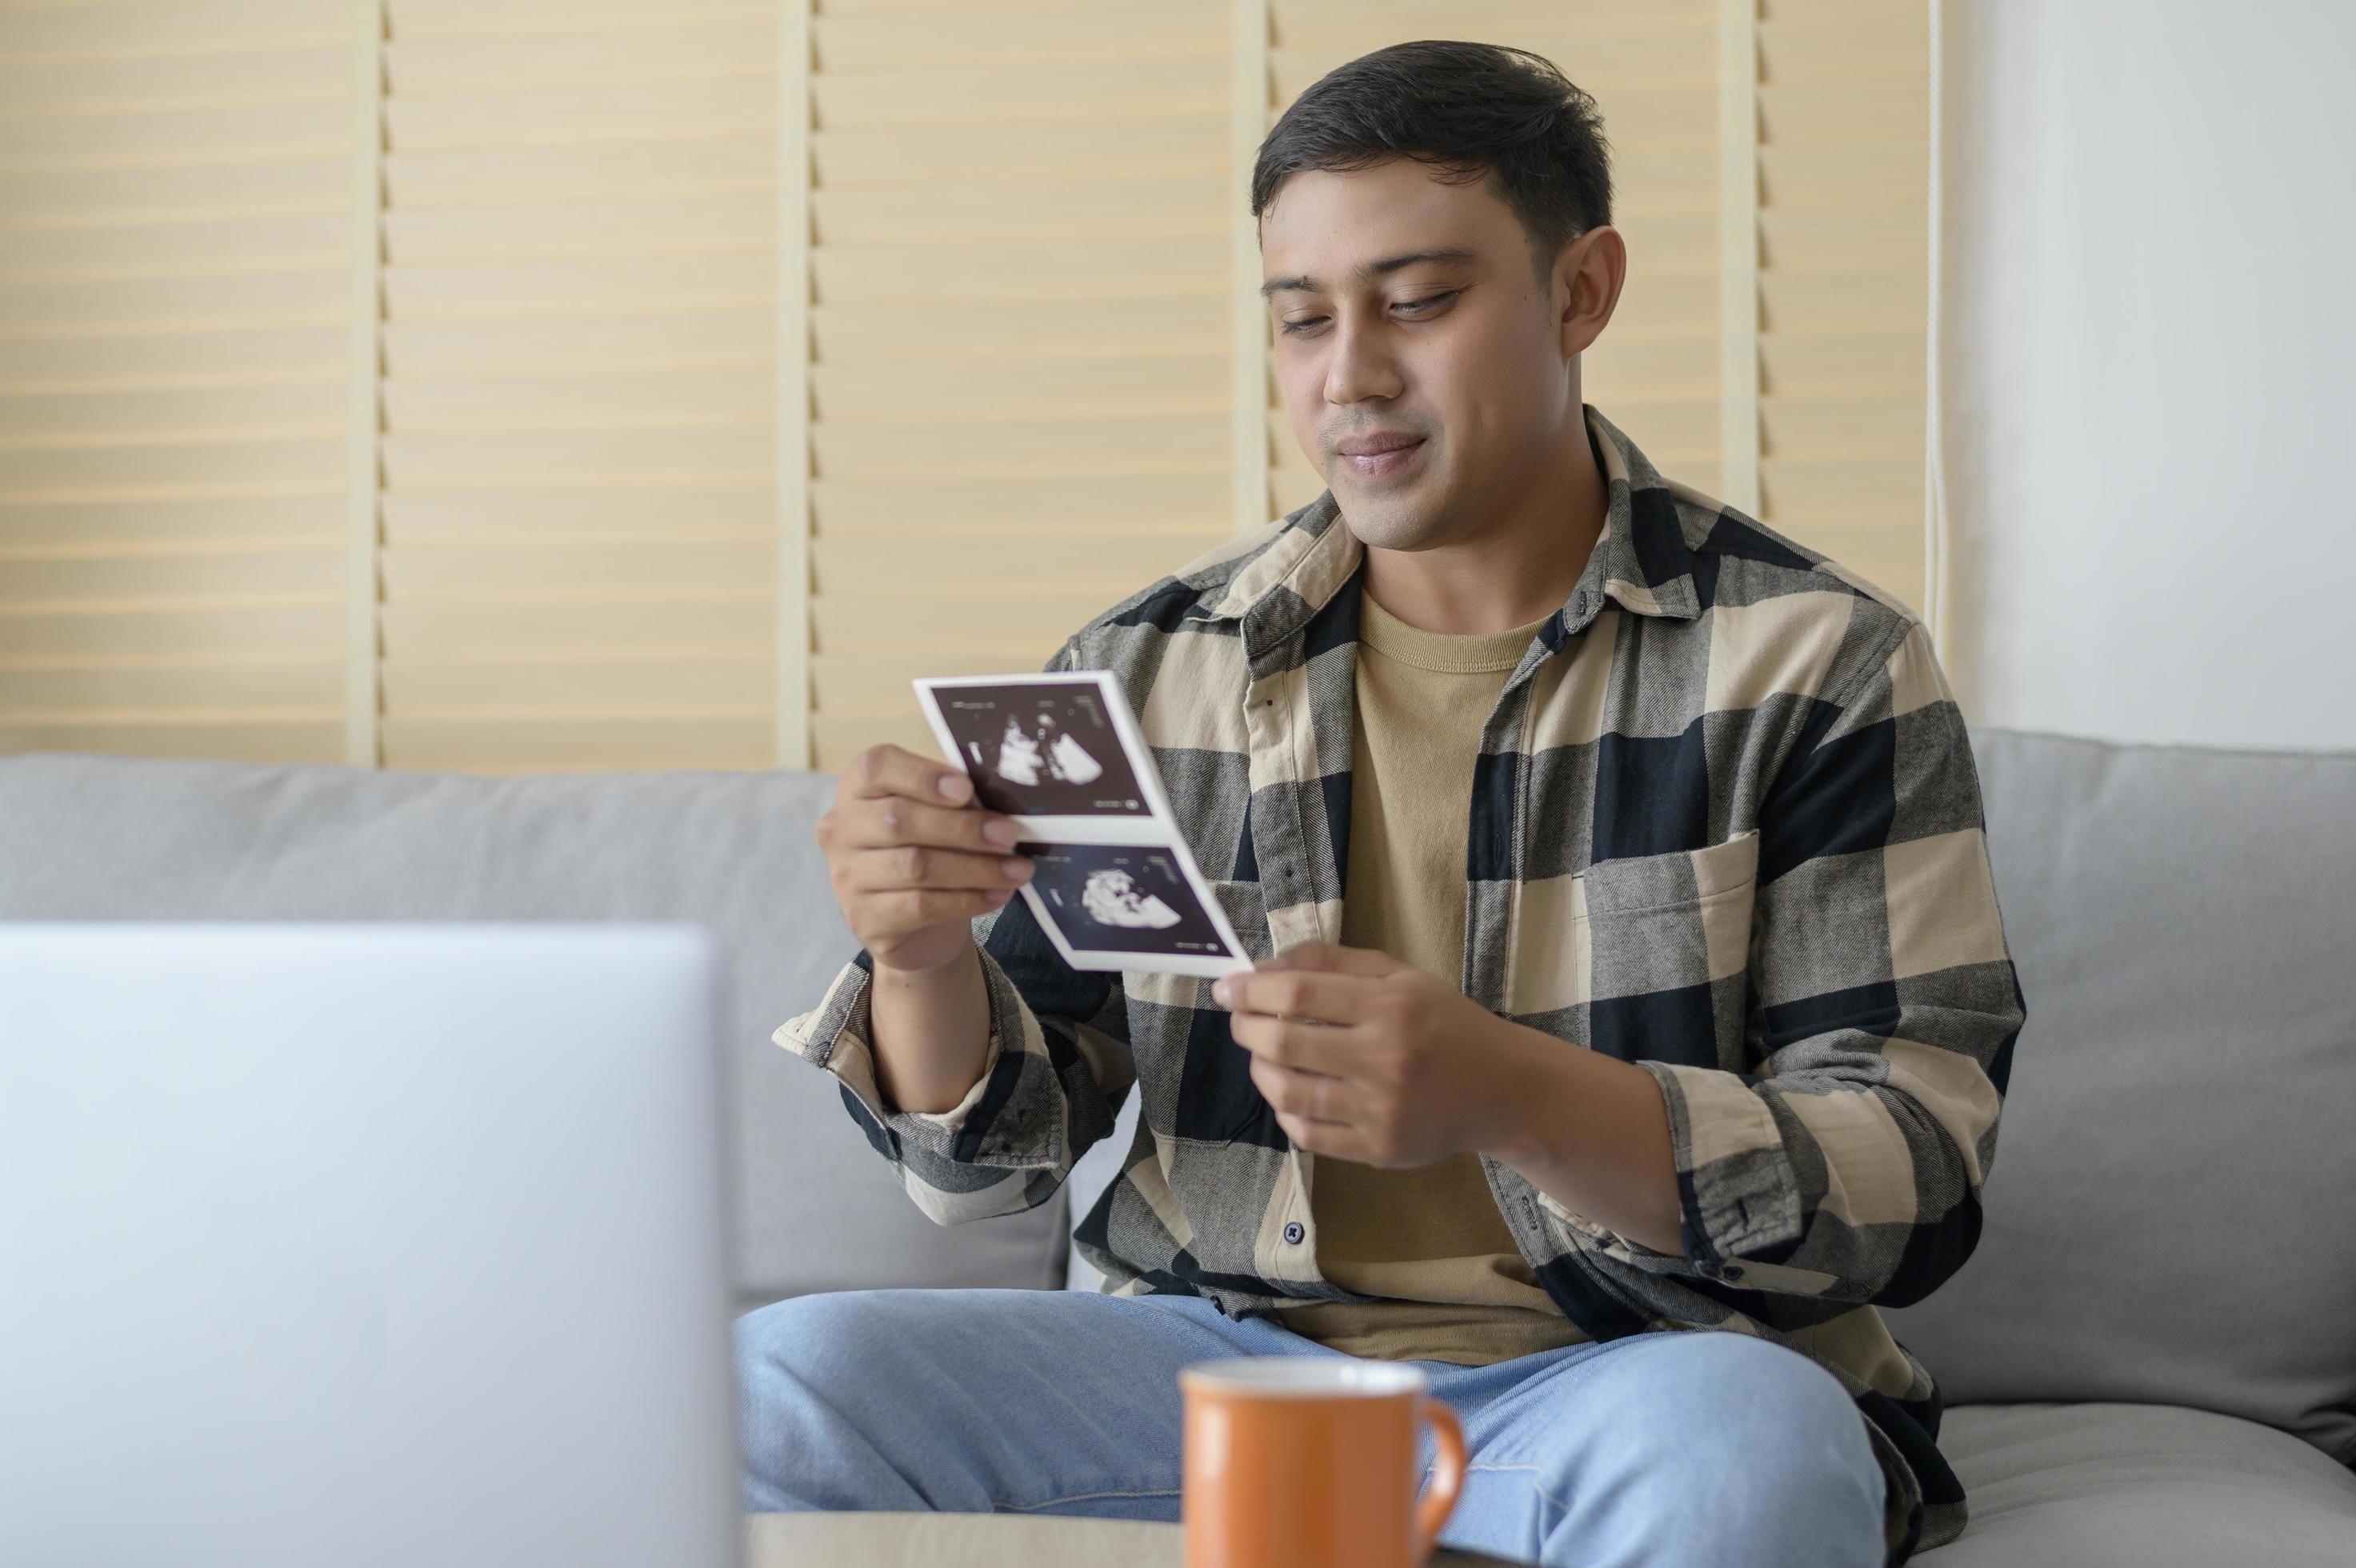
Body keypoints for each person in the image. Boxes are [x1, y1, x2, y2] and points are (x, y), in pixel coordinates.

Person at [739, 38, 2025, 1568]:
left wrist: (1519, 1097)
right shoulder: (1153, 670)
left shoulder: (1816, 667)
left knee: (1745, 1460)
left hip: (1631, 1379)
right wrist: (920, 958)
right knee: (771, 1392)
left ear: (1580, 291)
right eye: (1300, 318)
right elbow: (982, 1171)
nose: (1348, 374)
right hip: (1213, 1374)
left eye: (1417, 302)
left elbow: (1912, 1174)